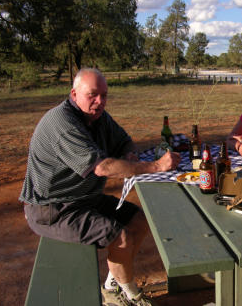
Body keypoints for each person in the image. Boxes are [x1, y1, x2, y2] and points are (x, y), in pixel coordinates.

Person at [19, 68, 181, 306]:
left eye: (104, 95)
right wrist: (155, 166)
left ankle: (112, 286)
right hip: (53, 208)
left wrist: (130, 154)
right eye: (93, 95)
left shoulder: (98, 117)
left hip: (84, 197)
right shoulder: (62, 123)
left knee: (139, 220)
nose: (100, 101)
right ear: (74, 94)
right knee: (121, 237)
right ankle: (129, 295)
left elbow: (123, 140)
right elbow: (102, 168)